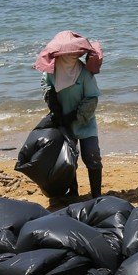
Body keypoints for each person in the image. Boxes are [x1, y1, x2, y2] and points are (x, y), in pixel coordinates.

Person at [35, 31, 104, 201]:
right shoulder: (51, 72)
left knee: (92, 156)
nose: (70, 57)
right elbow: (46, 86)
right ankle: (73, 193)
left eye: (74, 54)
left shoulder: (84, 73)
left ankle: (96, 195)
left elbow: (91, 98)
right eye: (67, 54)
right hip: (63, 123)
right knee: (68, 159)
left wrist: (75, 115)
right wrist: (52, 102)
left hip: (85, 122)